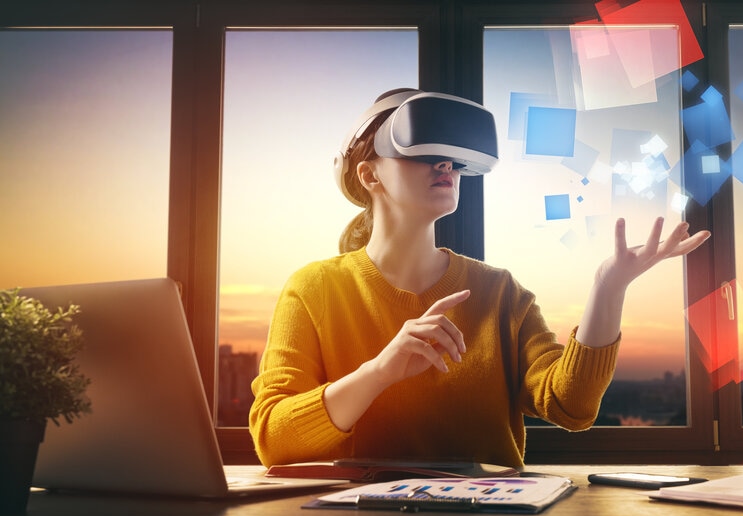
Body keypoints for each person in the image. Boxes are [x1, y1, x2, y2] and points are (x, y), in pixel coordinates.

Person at [249, 88, 710, 469]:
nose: (445, 165)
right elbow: (275, 440)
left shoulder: (501, 293)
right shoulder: (313, 289)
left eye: (452, 157)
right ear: (369, 174)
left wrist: (609, 288)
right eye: (425, 152)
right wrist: (381, 371)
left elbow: (571, 407)